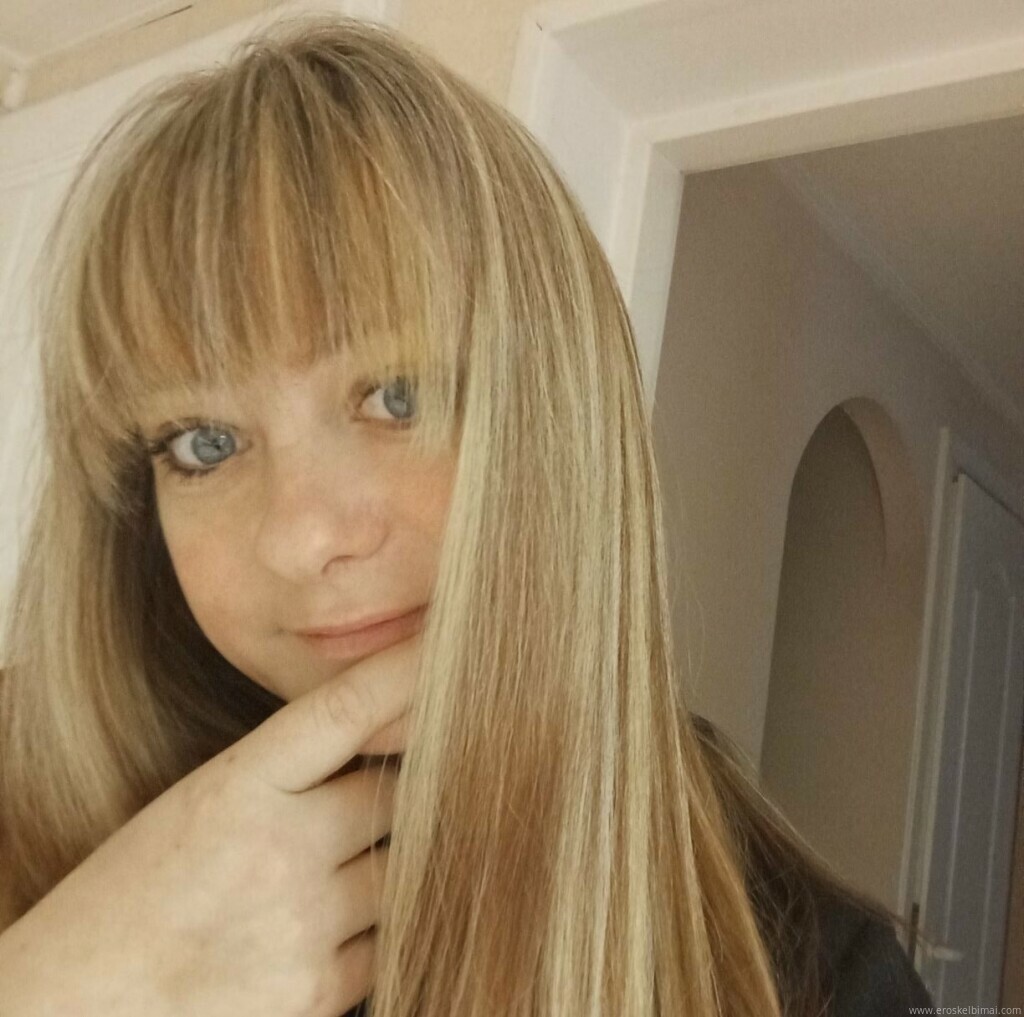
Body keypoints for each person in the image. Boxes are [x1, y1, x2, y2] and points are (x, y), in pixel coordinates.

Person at [0, 13, 936, 1016]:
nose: (303, 538)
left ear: (559, 406)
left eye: (397, 394)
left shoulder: (813, 973)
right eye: (204, 443)